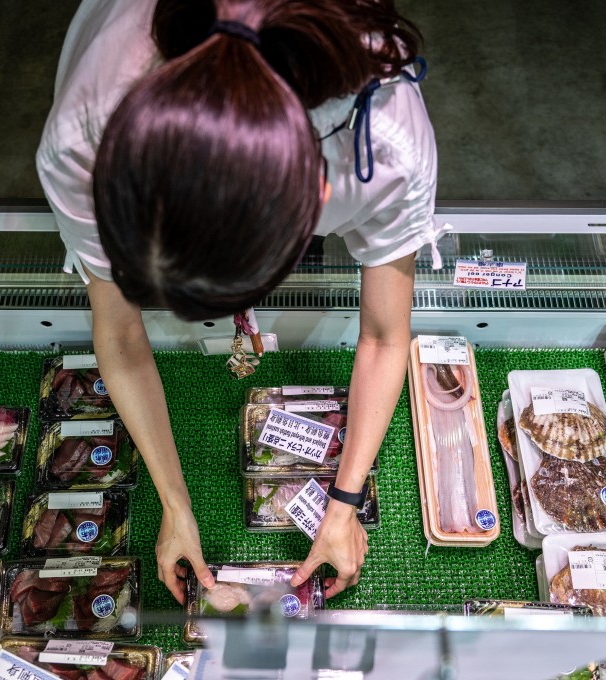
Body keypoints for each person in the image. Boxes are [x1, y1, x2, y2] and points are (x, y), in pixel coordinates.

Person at [37, 0, 438, 604]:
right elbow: (118, 333)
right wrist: (175, 505)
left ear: (320, 196)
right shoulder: (82, 137)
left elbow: (386, 335)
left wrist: (346, 501)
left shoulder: (386, 144)